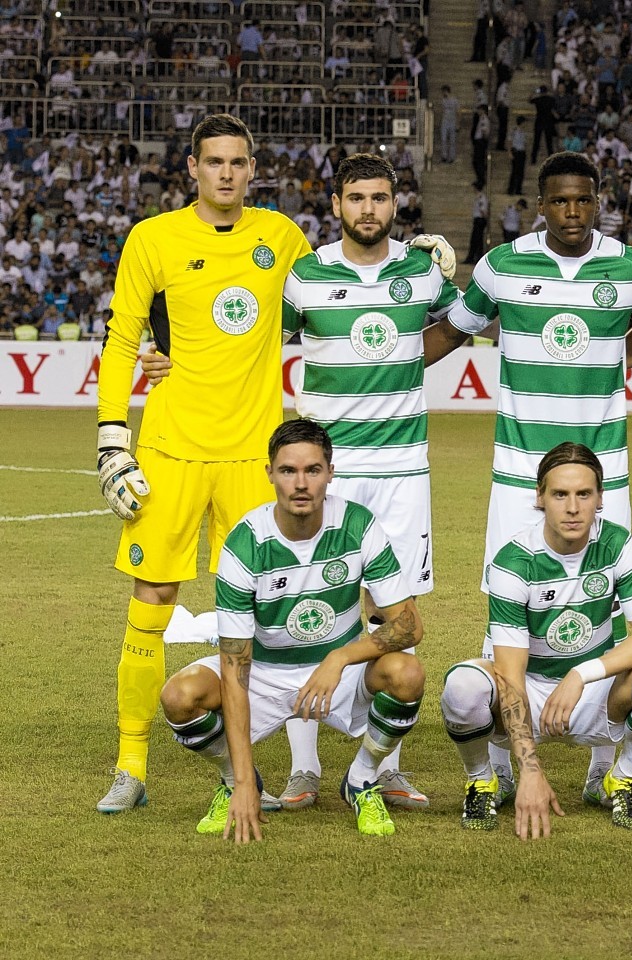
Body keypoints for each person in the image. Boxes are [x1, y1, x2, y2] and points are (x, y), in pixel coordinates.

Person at [139, 154, 461, 813]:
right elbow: (251, 348)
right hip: (325, 469)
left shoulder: (421, 272)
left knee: (388, 616)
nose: (367, 209)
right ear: (336, 205)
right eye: (355, 198)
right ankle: (304, 769)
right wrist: (176, 358)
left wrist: (402, 355)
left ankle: (382, 770)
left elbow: (460, 323)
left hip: (401, 472)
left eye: (379, 198)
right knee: (306, 609)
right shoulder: (305, 276)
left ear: (394, 204)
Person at [439, 151, 632, 806]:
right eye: (559, 201)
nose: (571, 212)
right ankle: (502, 762)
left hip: (602, 474)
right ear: (540, 204)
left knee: (606, 609)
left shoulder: (631, 269)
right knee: (504, 611)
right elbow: (450, 332)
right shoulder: (502, 266)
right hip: (515, 475)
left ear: (598, 201)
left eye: (582, 200)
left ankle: (602, 764)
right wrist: (379, 364)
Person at [95, 114, 313, 814]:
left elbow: (331, 303)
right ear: (191, 168)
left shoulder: (280, 237)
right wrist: (111, 439)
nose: (226, 173)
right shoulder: (152, 238)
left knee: (254, 614)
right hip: (170, 448)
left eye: (238, 162)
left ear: (254, 170)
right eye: (213, 161)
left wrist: (406, 268)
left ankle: (241, 764)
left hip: (254, 454)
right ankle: (131, 765)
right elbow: (123, 338)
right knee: (151, 601)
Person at [157, 419, 426, 842]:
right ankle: (233, 784)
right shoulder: (245, 545)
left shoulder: (358, 525)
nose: (300, 484)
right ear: (270, 474)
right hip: (263, 669)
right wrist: (244, 781)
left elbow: (409, 625)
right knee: (179, 696)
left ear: (330, 473)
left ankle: (361, 780)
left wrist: (340, 657)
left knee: (407, 674)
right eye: (288, 471)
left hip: (339, 673)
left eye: (312, 470)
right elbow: (234, 667)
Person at [439, 443, 632, 837]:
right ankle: (482, 779)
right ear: (540, 497)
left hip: (593, 692)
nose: (573, 508)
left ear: (600, 498)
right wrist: (531, 771)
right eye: (560, 494)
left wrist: (580, 675)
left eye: (583, 494)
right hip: (529, 690)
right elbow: (510, 675)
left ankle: (620, 779)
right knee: (463, 686)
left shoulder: (617, 544)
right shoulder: (513, 563)